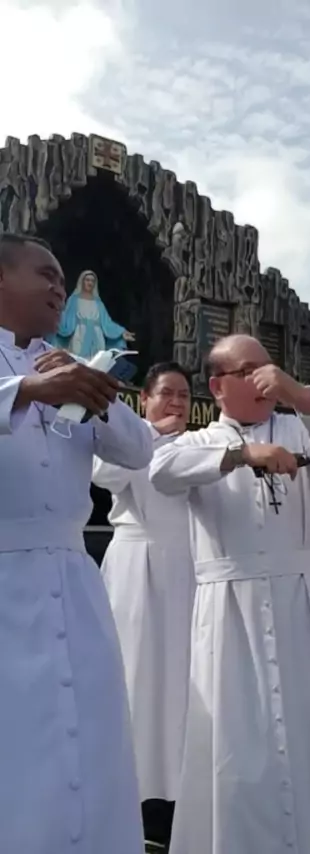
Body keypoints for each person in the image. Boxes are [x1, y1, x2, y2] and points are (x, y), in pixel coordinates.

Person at [149, 334, 310, 854]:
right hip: (228, 611)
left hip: (302, 604)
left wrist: (299, 395)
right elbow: (160, 472)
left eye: (268, 367)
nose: (264, 378)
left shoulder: (300, 430)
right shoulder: (198, 442)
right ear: (218, 386)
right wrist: (241, 454)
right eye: (248, 370)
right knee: (235, 742)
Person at [0, 233, 153, 854]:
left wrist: (95, 392)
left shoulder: (73, 366)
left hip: (73, 583)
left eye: (64, 280)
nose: (60, 288)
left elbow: (139, 451)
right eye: (46, 274)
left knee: (87, 737)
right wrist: (26, 391)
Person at [92, 362, 196, 853]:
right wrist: (149, 436)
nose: (176, 403)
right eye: (167, 393)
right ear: (145, 400)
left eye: (184, 395)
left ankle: (179, 797)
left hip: (188, 570)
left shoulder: (199, 445)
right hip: (137, 567)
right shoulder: (130, 440)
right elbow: (105, 474)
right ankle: (132, 798)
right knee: (137, 678)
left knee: (182, 682)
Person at [49, 268, 135, 359]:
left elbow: (107, 323)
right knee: (78, 361)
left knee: (97, 361)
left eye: (92, 281)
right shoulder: (74, 300)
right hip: (79, 336)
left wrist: (121, 332)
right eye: (87, 280)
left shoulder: (98, 303)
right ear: (82, 281)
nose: (90, 283)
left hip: (97, 338)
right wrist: (53, 317)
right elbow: (66, 318)